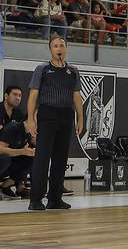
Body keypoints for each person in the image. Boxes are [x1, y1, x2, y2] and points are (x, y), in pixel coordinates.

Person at [25, 36, 84, 211]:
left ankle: (55, 199)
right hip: (47, 114)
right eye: (55, 46)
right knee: (42, 158)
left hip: (66, 115)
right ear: (50, 49)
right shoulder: (42, 69)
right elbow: (33, 96)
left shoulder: (73, 71)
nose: (59, 49)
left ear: (66, 49)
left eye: (62, 46)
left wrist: (80, 118)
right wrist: (31, 119)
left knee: (60, 159)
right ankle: (36, 199)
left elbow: (77, 97)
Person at [0, 119, 33, 199]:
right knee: (5, 159)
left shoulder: (27, 134)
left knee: (32, 158)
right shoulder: (13, 127)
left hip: (7, 166)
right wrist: (22, 151)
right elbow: (1, 150)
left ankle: (5, 186)